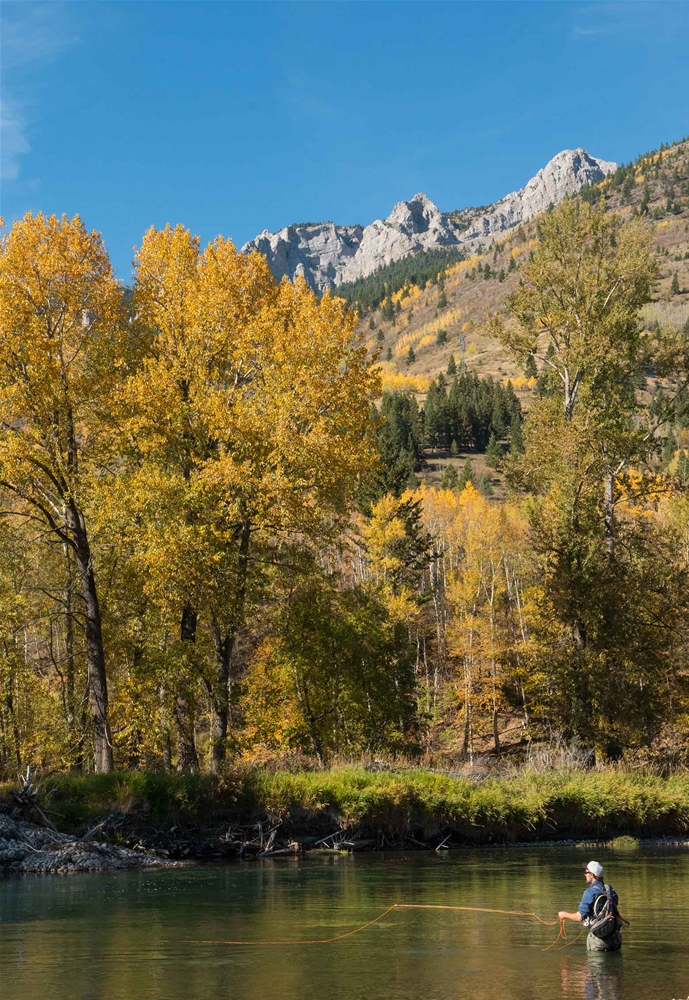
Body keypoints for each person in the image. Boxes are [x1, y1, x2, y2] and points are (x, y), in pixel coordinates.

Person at [558, 861, 625, 951]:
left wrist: (563, 914)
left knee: (593, 965)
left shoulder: (589, 893)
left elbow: (579, 917)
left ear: (592, 875)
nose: (585, 874)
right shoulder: (610, 890)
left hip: (598, 942)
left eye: (586, 872)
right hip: (615, 939)